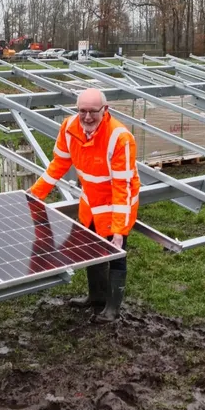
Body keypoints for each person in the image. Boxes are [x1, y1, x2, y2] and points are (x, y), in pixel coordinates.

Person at [29, 88, 140, 322]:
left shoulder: (119, 137)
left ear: (105, 110)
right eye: (82, 111)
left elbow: (123, 186)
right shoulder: (70, 127)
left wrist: (119, 230)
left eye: (93, 112)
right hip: (90, 201)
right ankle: (96, 297)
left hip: (115, 203)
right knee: (90, 247)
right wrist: (37, 193)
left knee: (115, 254)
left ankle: (112, 308)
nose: (87, 117)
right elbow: (59, 163)